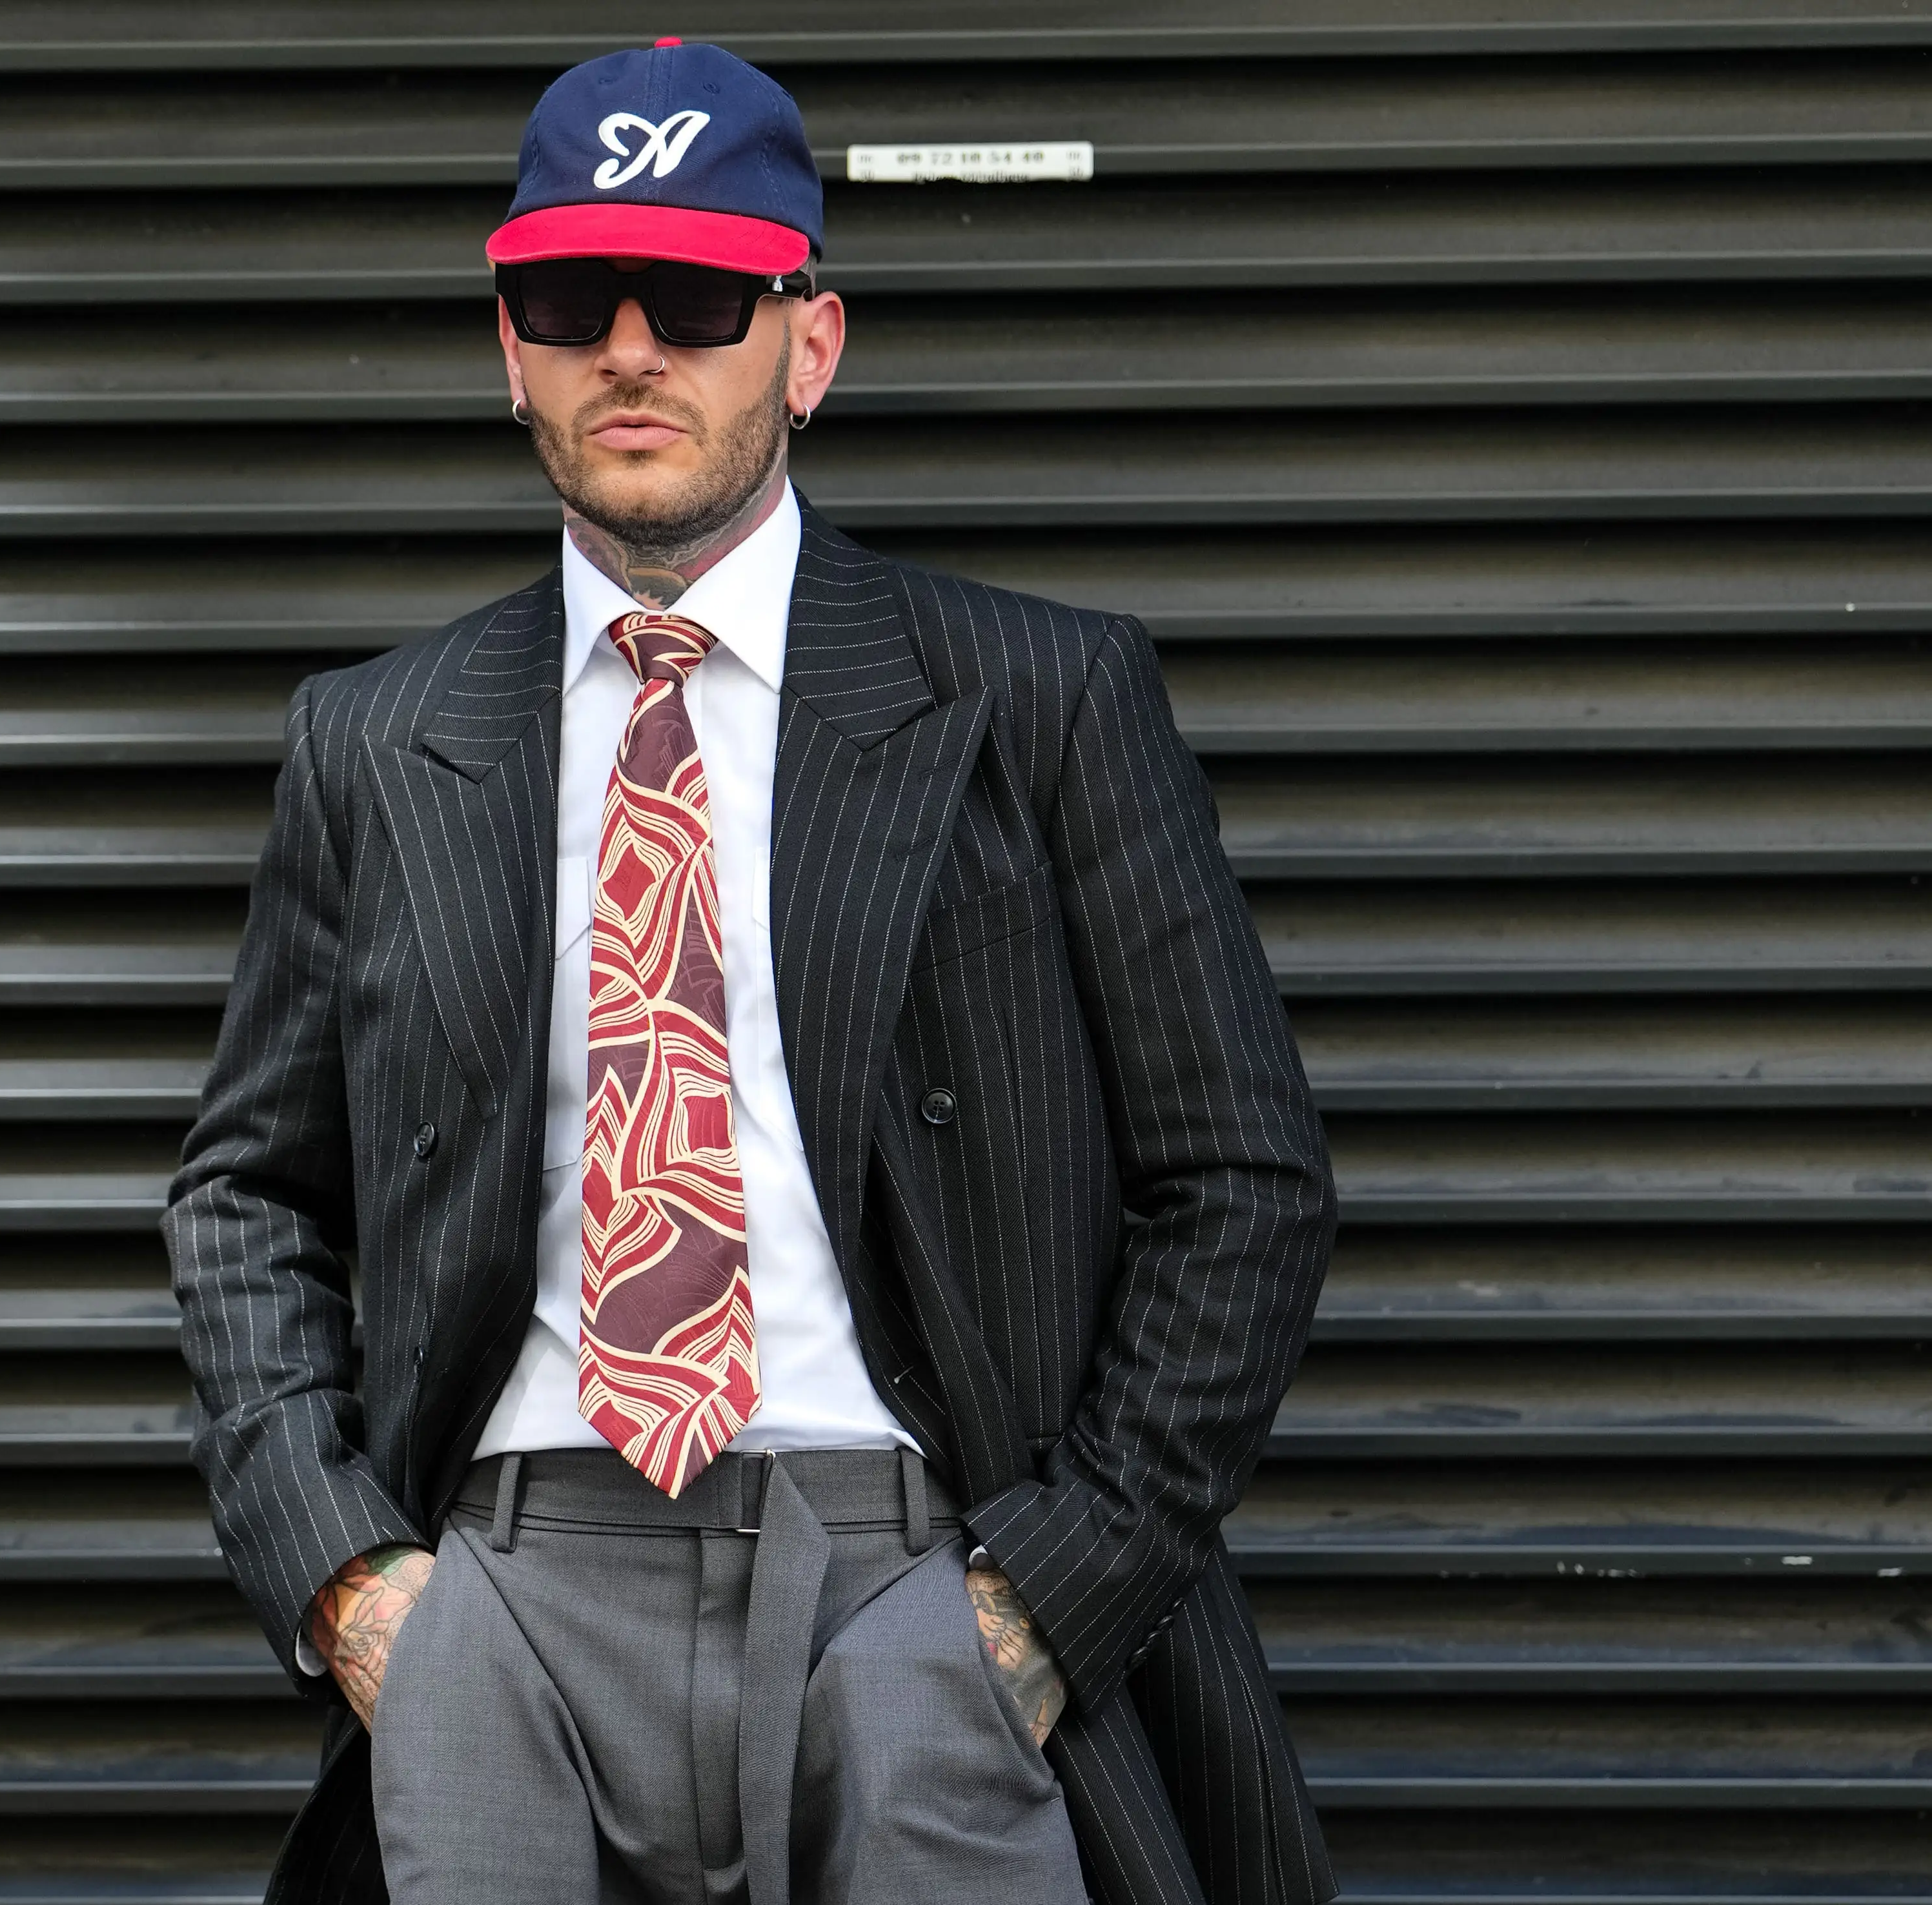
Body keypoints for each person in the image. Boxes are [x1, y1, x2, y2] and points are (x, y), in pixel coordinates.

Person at [167, 39, 1338, 1905]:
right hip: (504, 1593)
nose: (630, 347)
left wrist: (1041, 1598)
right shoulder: (376, 742)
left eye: (698, 295)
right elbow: (246, 1195)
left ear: (807, 344)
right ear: (509, 344)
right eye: (568, 297)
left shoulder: (1038, 697)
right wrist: (350, 1579)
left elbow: (1243, 1181)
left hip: (912, 1579)